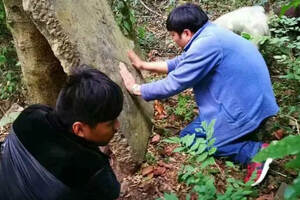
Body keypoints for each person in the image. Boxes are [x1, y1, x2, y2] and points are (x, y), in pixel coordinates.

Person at [119, 3, 278, 186]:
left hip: (245, 109)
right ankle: (242, 132)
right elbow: (182, 62)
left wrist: (137, 89)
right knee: (190, 132)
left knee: (194, 139)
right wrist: (144, 65)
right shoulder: (211, 35)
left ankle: (256, 152)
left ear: (186, 33)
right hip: (251, 101)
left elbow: (175, 83)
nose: (173, 40)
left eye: (173, 35)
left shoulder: (206, 45)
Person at [0, 65, 123, 199]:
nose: (117, 126)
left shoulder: (30, 115)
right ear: (79, 129)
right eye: (110, 123)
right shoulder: (94, 173)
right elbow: (112, 192)